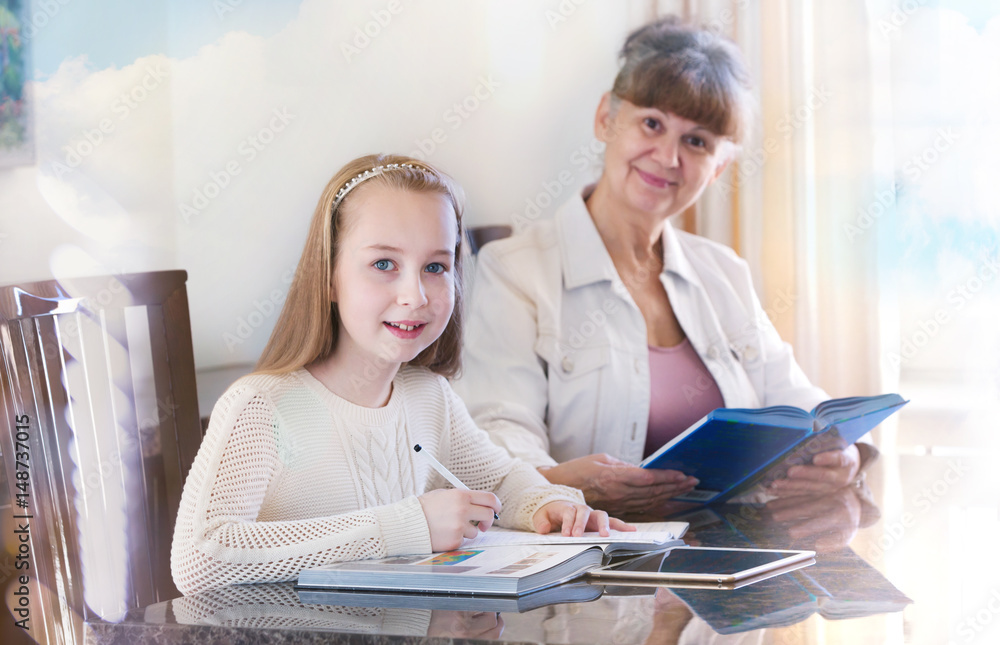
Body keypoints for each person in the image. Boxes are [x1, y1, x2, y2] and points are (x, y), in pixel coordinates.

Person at [454, 17, 877, 517]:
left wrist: (842, 453)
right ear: (606, 120)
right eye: (652, 123)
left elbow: (799, 404)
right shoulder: (516, 270)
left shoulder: (724, 271)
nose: (668, 157)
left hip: (722, 558)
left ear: (718, 166)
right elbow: (499, 438)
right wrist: (562, 485)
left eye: (696, 141)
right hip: (592, 564)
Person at [171, 154, 630, 595]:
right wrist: (407, 527)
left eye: (435, 267)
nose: (415, 295)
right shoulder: (264, 406)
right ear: (329, 276)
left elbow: (500, 480)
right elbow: (200, 557)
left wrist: (547, 505)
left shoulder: (428, 397)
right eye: (384, 264)